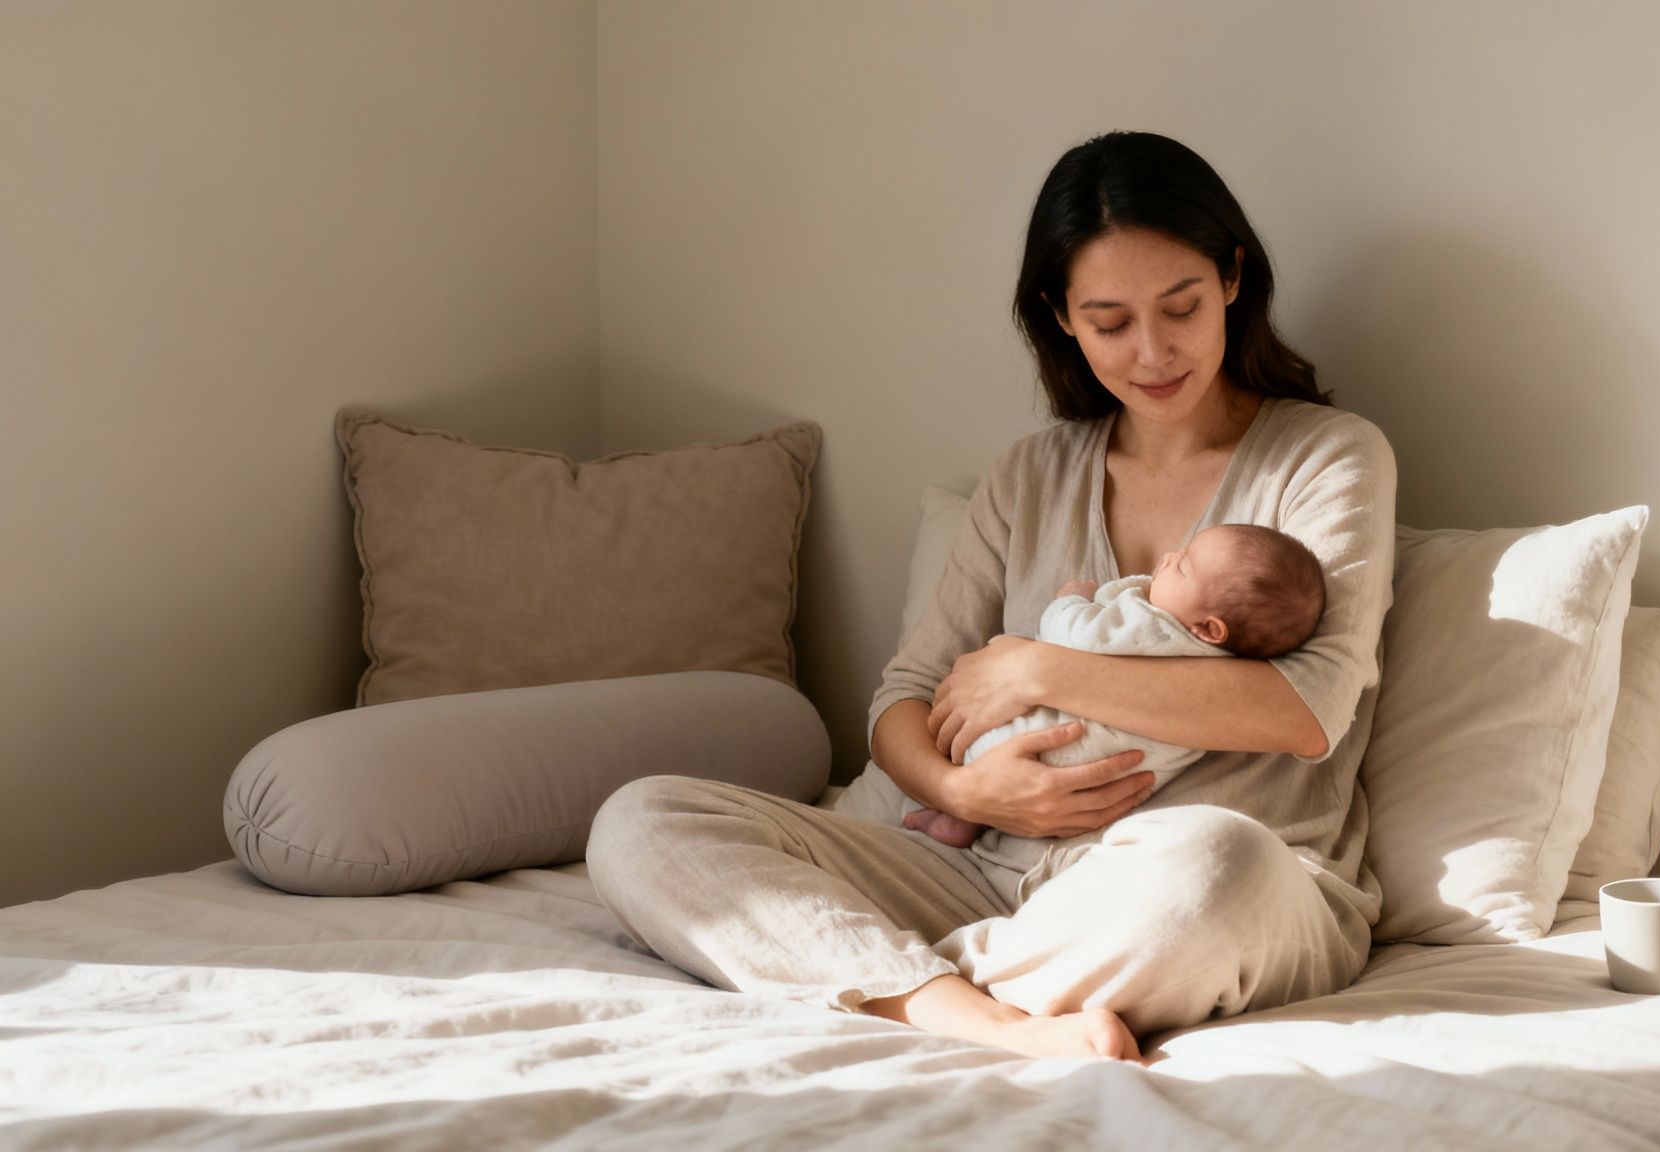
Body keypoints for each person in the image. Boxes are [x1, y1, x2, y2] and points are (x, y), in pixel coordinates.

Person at [584, 129, 1397, 1063]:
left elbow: (1307, 710)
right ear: (1061, 316)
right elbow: (906, 699)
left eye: (1180, 307)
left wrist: (1036, 665)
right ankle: (982, 1020)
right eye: (1109, 321)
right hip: (982, 868)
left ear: (1232, 279)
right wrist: (963, 788)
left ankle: (870, 970)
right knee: (642, 821)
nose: (1152, 351)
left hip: (1192, 890)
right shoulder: (1031, 476)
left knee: (1218, 866)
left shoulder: (1329, 456)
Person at [899, 522, 1328, 850]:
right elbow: (906, 686)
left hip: (1043, 751)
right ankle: (963, 813)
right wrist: (960, 795)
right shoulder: (1223, 670)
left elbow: (1077, 638)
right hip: (1092, 793)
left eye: (1181, 566)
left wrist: (1071, 600)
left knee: (990, 732)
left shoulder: (1155, 629)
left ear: (1209, 628)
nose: (1167, 558)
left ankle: (961, 812)